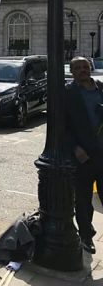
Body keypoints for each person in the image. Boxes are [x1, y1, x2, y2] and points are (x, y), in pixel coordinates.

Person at [65, 56, 103, 254]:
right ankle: (86, 237)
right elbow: (63, 125)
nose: (82, 70)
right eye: (78, 68)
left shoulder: (101, 88)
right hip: (84, 156)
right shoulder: (69, 93)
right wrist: (75, 148)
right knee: (83, 200)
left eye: (85, 67)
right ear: (72, 72)